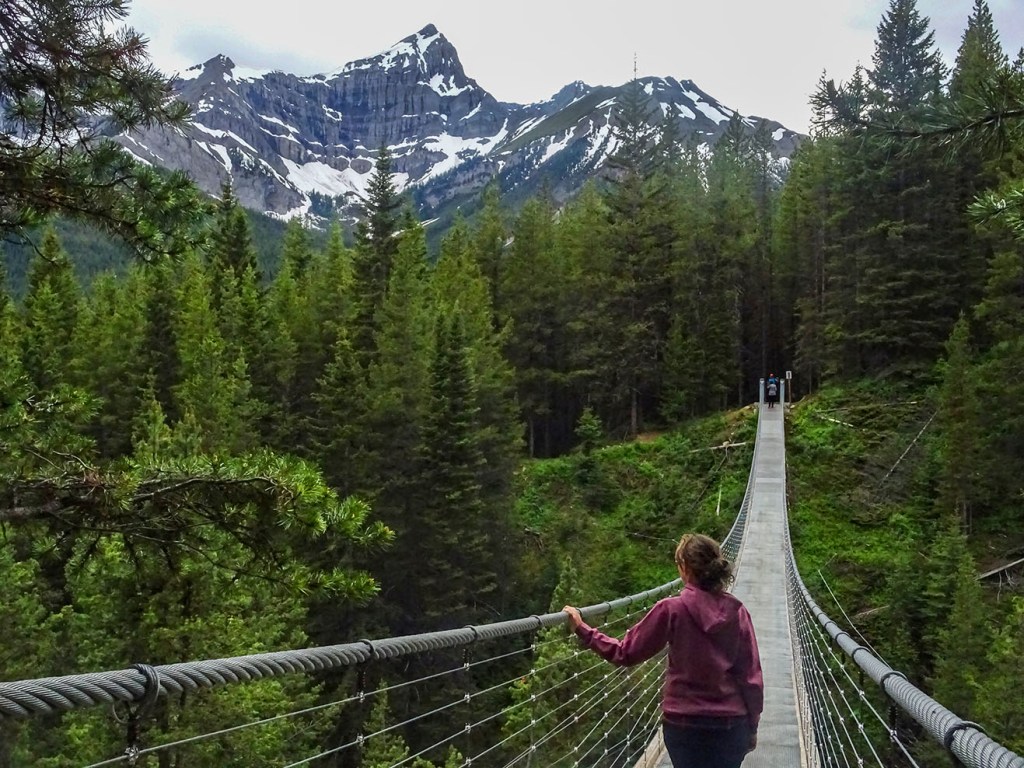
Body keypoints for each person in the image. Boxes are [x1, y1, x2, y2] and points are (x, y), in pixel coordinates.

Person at [563, 533, 763, 768]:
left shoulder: (671, 610)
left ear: (685, 568)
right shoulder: (737, 612)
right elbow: (751, 677)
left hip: (684, 725)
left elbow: (625, 653)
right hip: (731, 725)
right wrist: (752, 726)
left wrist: (583, 630)